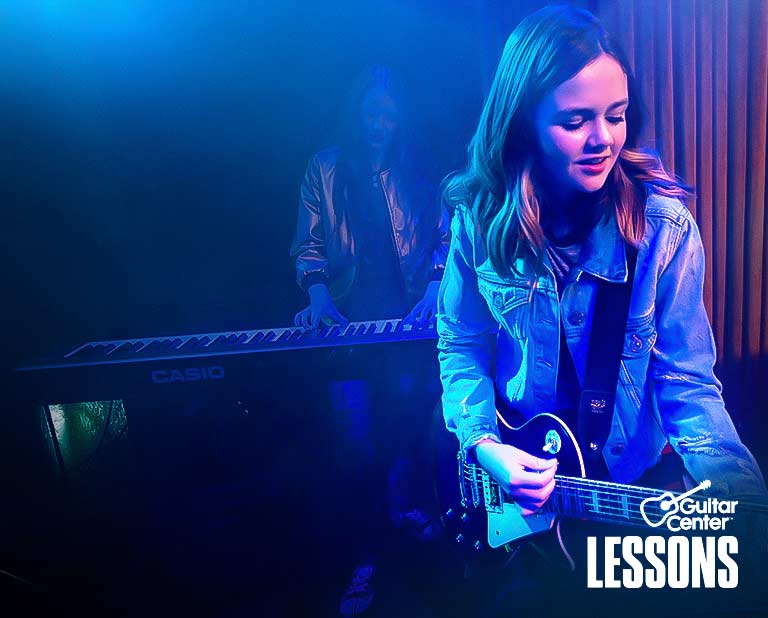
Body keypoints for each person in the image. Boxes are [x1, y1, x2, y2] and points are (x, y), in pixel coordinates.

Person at [437, 1, 765, 581]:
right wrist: (485, 444)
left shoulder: (662, 228)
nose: (603, 139)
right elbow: (461, 342)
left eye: (616, 115)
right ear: (524, 123)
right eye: (575, 121)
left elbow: (687, 382)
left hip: (629, 484)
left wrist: (740, 497)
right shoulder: (477, 219)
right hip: (522, 491)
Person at [290, 65, 449, 616]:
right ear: (357, 113)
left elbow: (444, 236)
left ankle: (406, 517)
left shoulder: (416, 171)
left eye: (389, 115)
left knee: (411, 427)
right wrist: (317, 297)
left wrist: (434, 286)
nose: (379, 124)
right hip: (351, 326)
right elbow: (308, 245)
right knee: (355, 445)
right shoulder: (325, 168)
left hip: (407, 326)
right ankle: (365, 557)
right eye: (371, 113)